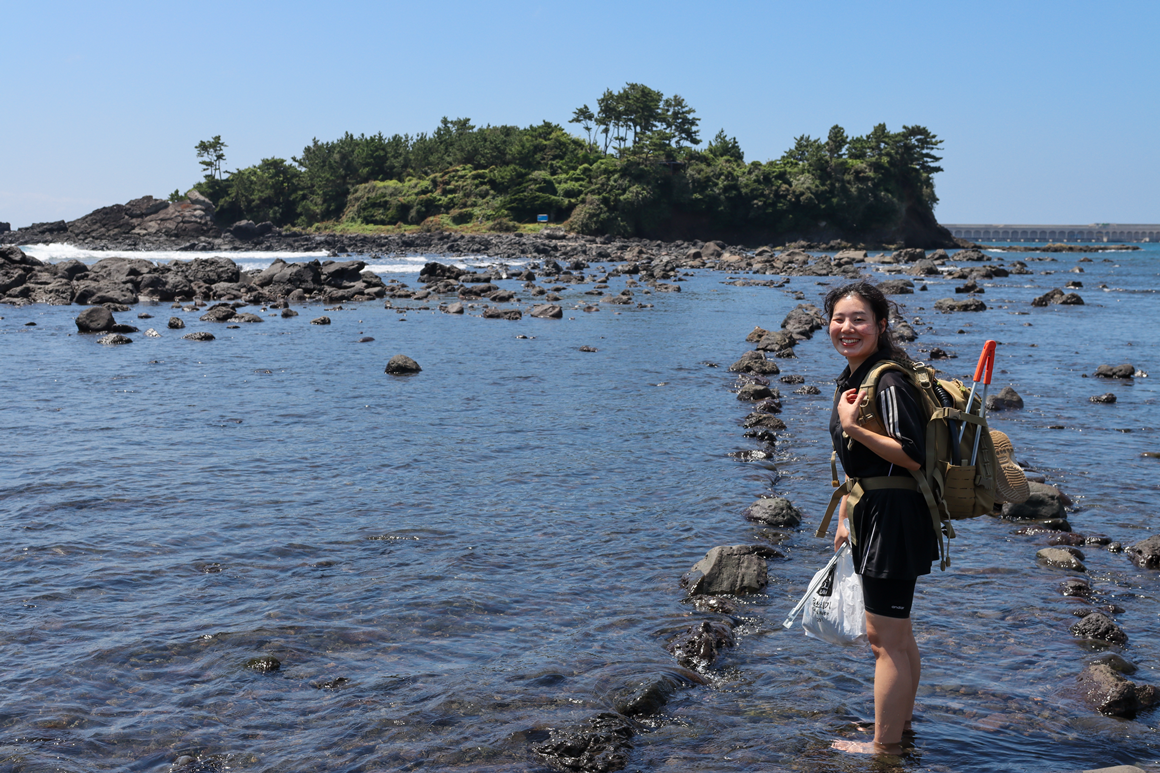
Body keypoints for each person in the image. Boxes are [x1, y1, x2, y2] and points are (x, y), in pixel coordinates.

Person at [824, 281, 939, 755]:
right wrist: (846, 513)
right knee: (899, 632)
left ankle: (885, 746)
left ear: (881, 325)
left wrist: (850, 426)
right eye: (839, 319)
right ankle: (899, 725)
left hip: (894, 518)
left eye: (859, 320)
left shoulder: (887, 380)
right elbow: (861, 464)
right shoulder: (856, 375)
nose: (847, 328)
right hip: (876, 511)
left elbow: (910, 454)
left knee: (884, 639)